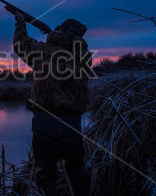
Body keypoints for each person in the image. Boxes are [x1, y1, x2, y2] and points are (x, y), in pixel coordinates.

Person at [12, 12, 91, 195]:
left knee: (45, 173)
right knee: (76, 172)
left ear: (59, 31)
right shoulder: (83, 56)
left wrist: (20, 22)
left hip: (44, 121)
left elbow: (20, 44)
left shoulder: (43, 52)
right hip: (72, 123)